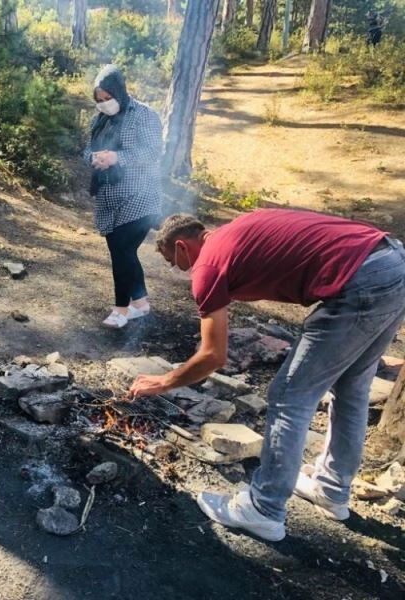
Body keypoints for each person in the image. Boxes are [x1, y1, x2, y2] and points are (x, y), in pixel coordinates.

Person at [129, 209, 405, 542]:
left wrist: (165, 381)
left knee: (289, 397)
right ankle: (332, 490)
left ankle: (263, 508)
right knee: (352, 389)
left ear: (182, 246)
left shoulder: (207, 265)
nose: (176, 269)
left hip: (360, 280)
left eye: (171, 260)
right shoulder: (236, 232)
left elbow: (213, 355)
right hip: (391, 261)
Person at [83, 64, 163, 329]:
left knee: (122, 250)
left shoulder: (143, 115)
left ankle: (120, 310)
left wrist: (118, 158)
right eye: (100, 100)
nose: (105, 104)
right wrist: (94, 158)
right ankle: (140, 303)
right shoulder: (100, 120)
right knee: (123, 252)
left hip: (140, 194)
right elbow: (86, 151)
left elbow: (152, 152)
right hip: (109, 198)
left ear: (120, 91)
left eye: (109, 98)